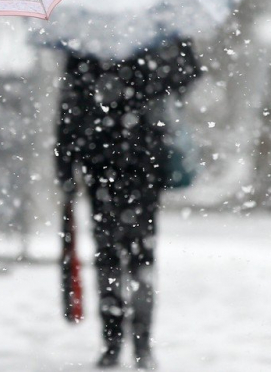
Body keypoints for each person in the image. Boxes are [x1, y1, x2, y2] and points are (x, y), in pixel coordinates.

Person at [56, 37, 200, 370]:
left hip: (123, 160)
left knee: (125, 254)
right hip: (124, 160)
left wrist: (66, 165)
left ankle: (128, 343)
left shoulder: (89, 36)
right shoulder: (153, 32)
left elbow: (69, 107)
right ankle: (126, 343)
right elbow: (69, 105)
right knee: (124, 255)